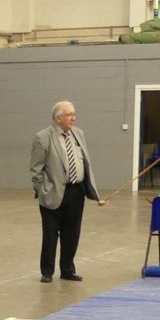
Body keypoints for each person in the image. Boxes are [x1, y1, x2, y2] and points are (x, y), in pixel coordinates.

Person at [30, 100, 101, 283]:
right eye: (70, 114)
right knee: (50, 234)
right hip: (52, 193)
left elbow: (84, 161)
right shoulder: (43, 137)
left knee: (72, 233)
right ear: (58, 117)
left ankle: (68, 270)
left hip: (76, 191)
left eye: (74, 114)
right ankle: (47, 272)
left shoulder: (78, 134)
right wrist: (42, 190)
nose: (73, 118)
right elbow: (36, 169)